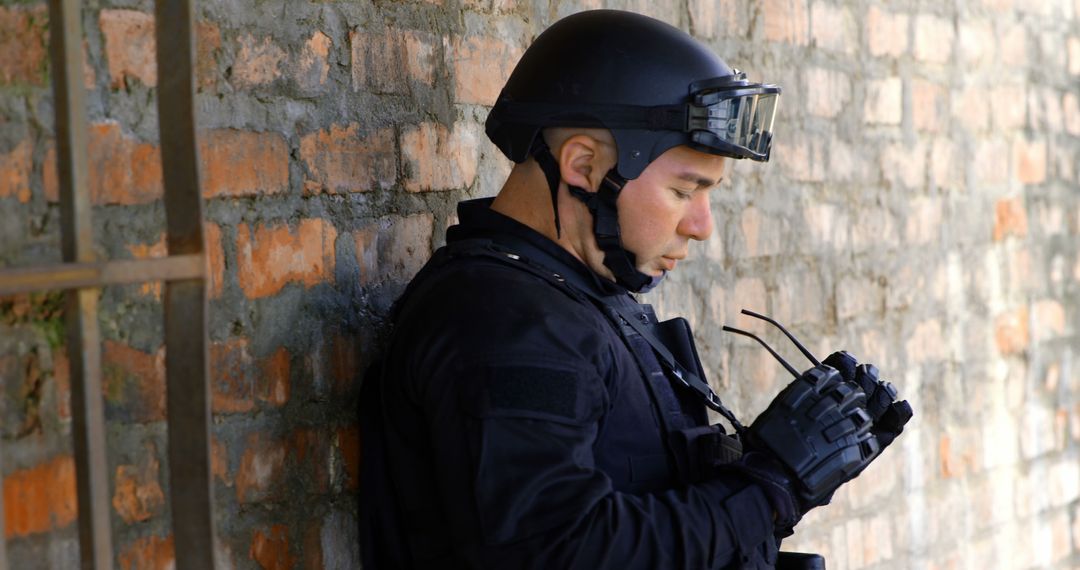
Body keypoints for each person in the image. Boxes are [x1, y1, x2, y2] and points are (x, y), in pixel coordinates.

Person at [360, 9, 912, 569]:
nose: (702, 224)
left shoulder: (580, 300)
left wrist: (776, 464)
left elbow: (643, 504)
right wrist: (769, 489)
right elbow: (560, 551)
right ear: (585, 165)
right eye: (683, 191)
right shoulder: (501, 322)